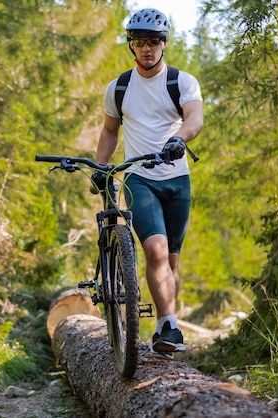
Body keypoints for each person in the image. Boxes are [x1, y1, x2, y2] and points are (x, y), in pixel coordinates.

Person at [93, 8, 203, 353]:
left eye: (153, 41)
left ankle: (163, 326)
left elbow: (195, 118)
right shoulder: (120, 88)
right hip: (138, 178)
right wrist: (101, 166)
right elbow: (110, 132)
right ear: (131, 45)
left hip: (177, 180)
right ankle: (171, 327)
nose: (147, 48)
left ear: (164, 44)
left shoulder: (181, 82)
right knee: (154, 250)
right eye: (140, 42)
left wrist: (179, 139)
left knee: (170, 260)